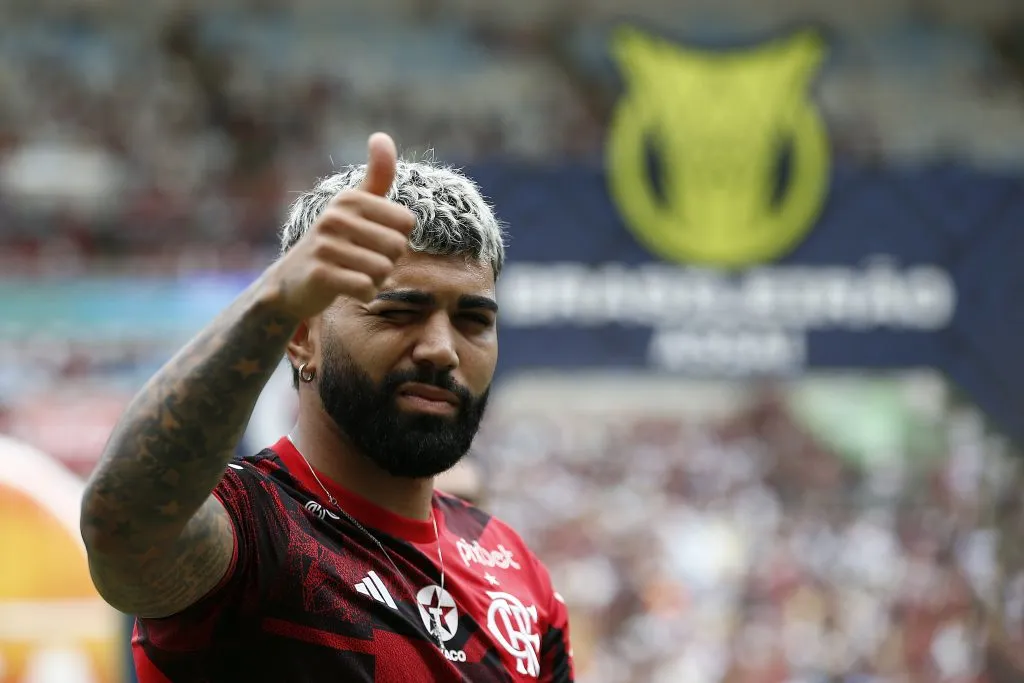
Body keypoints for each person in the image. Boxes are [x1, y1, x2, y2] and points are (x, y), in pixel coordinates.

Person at [80, 133, 574, 682]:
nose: (442, 348)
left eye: (473, 320)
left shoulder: (515, 570)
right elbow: (121, 523)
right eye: (398, 313)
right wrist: (272, 300)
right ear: (301, 337)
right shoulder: (252, 532)